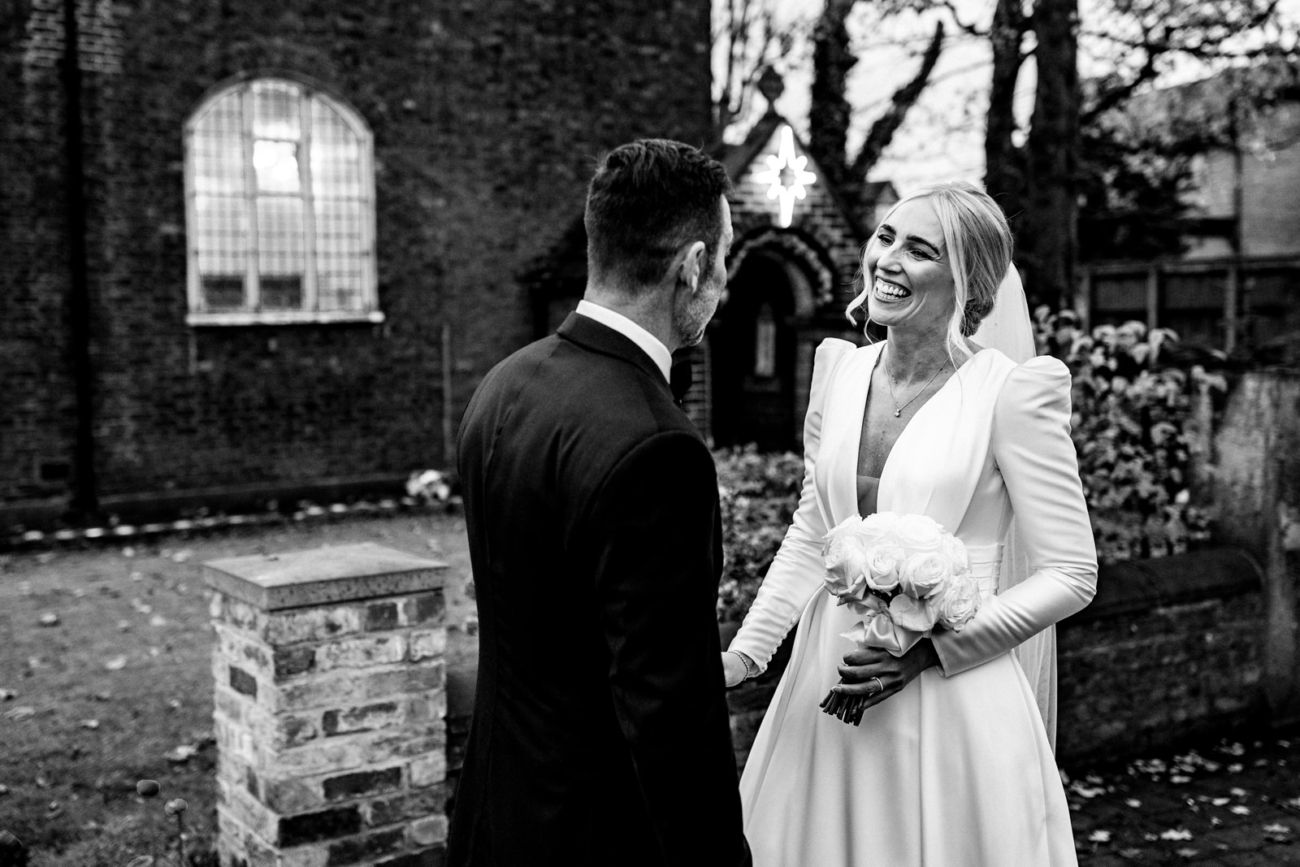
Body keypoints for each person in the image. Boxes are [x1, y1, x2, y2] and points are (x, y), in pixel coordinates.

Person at [722, 181, 1098, 866]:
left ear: (969, 285)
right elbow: (814, 532)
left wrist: (930, 651)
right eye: (886, 236)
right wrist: (745, 655)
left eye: (921, 250)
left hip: (951, 691)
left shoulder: (1013, 393)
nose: (887, 259)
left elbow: (1072, 573)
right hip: (827, 676)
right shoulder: (837, 369)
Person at [448, 139, 751, 867]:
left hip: (495, 811)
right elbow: (669, 714)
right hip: (595, 835)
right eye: (726, 262)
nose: (725, 288)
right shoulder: (658, 449)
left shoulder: (504, 383)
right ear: (694, 266)